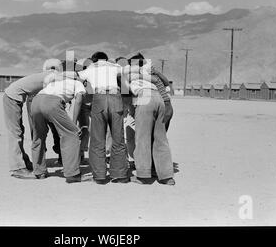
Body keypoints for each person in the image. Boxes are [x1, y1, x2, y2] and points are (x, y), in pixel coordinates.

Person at [3, 64, 64, 179]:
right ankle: (17, 168)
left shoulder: (46, 75)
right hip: (12, 98)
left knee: (19, 131)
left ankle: (25, 162)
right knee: (15, 133)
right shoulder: (54, 78)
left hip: (14, 97)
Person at [29, 61, 86, 183]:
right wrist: (74, 123)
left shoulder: (55, 80)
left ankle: (39, 172)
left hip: (36, 101)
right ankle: (72, 173)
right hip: (53, 103)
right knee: (71, 135)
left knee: (38, 136)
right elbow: (79, 100)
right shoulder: (77, 82)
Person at [78, 51, 128, 184]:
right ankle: (120, 174)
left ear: (94, 60)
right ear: (106, 59)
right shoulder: (115, 67)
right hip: (115, 97)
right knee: (118, 138)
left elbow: (79, 78)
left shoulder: (91, 68)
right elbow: (126, 72)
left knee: (97, 139)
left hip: (99, 98)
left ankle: (99, 176)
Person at [123, 57, 175, 185]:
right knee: (161, 139)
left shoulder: (129, 74)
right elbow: (165, 85)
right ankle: (166, 176)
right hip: (161, 99)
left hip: (145, 98)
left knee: (142, 139)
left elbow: (127, 97)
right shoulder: (151, 74)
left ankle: (143, 175)